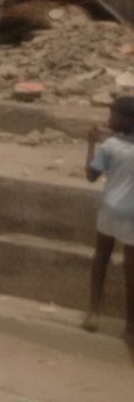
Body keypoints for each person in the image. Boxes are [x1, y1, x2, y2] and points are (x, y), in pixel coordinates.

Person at [83, 95, 134, 346]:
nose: (109, 119)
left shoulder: (111, 145)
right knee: (131, 269)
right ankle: (130, 326)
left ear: (126, 120)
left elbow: (91, 175)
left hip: (110, 211)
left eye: (113, 115)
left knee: (100, 258)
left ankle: (93, 311)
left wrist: (91, 143)